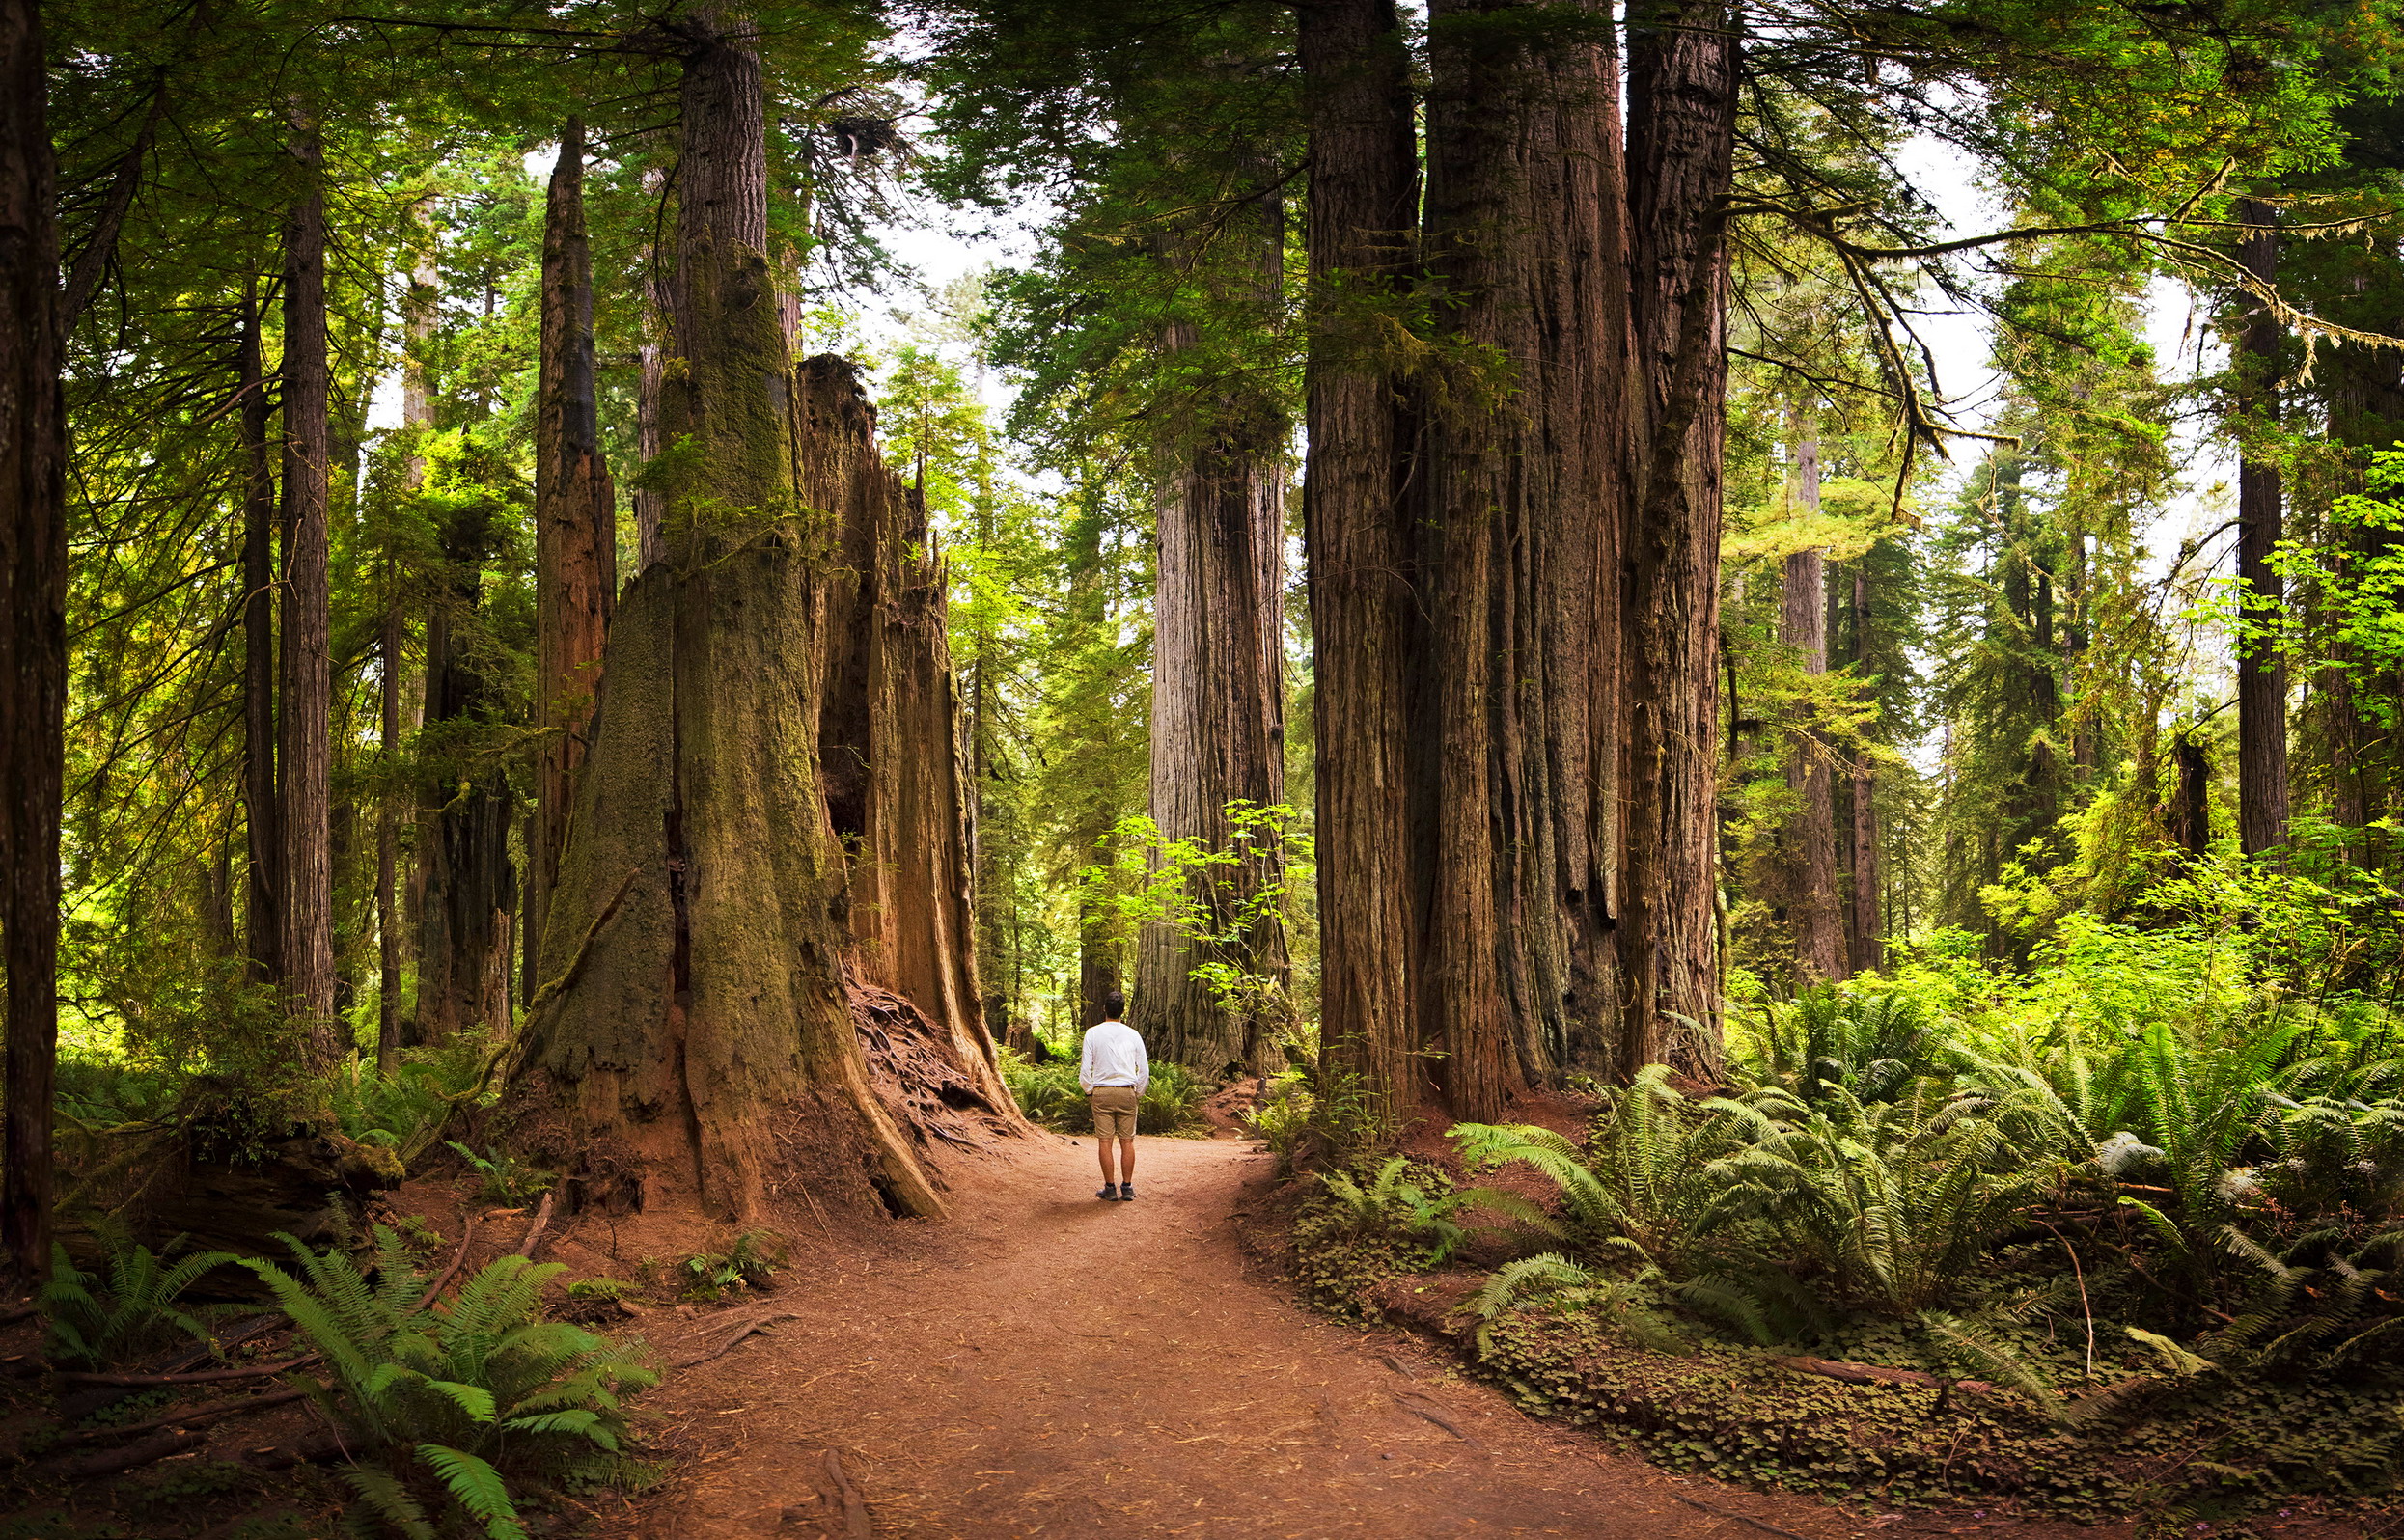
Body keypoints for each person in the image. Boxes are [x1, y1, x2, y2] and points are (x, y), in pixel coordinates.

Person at [1079, 991, 1148, 1201]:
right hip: (1127, 1090)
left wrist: (1089, 1090)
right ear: (1123, 1011)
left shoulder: (1092, 1033)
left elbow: (1085, 1070)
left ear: (1104, 1009)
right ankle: (1127, 1187)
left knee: (1105, 1142)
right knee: (1127, 1142)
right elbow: (1143, 1070)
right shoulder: (1133, 1034)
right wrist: (1137, 1093)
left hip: (1102, 1091)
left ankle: (1110, 1188)